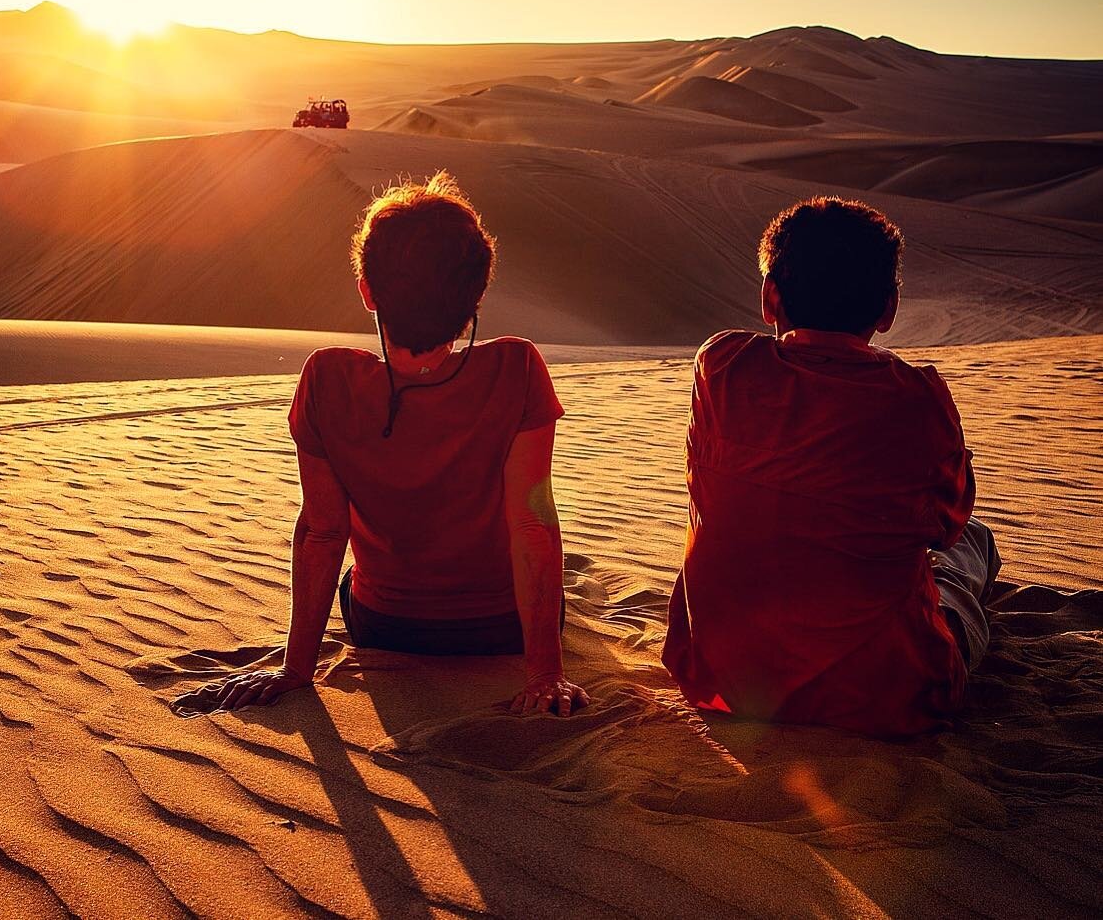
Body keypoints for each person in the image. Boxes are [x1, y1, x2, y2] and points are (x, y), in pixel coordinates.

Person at [174, 172, 589, 719]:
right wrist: (545, 675)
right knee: (569, 577)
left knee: (354, 575)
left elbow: (323, 529)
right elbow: (532, 524)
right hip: (504, 628)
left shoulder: (327, 377)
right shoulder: (517, 367)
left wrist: (296, 669)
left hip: (386, 625)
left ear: (367, 290)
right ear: (476, 294)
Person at [663, 196, 1000, 737]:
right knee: (974, 544)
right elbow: (947, 523)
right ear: (888, 310)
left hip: (720, 681)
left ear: (770, 298)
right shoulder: (916, 396)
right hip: (886, 696)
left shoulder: (720, 364)